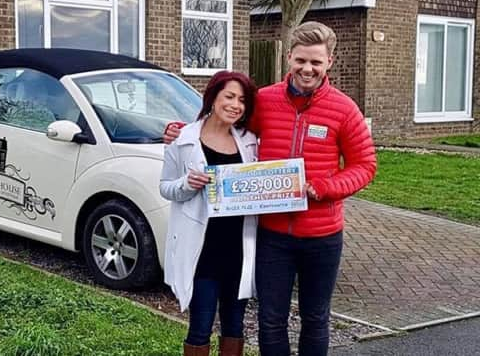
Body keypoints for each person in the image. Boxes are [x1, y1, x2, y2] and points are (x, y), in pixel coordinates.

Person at [164, 21, 377, 356]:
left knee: (316, 318)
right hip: (272, 233)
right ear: (289, 58)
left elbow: (365, 166)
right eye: (301, 60)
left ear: (329, 63)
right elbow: (222, 126)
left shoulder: (344, 109)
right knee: (271, 319)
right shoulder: (264, 100)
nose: (308, 69)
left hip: (322, 235)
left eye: (316, 62)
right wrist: (182, 131)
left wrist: (323, 187)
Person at [160, 71, 259, 356]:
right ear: (213, 98)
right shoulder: (183, 139)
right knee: (200, 326)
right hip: (202, 251)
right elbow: (165, 187)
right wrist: (187, 184)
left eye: (242, 100)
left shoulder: (250, 141)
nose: (235, 105)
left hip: (238, 250)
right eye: (229, 96)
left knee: (235, 327)